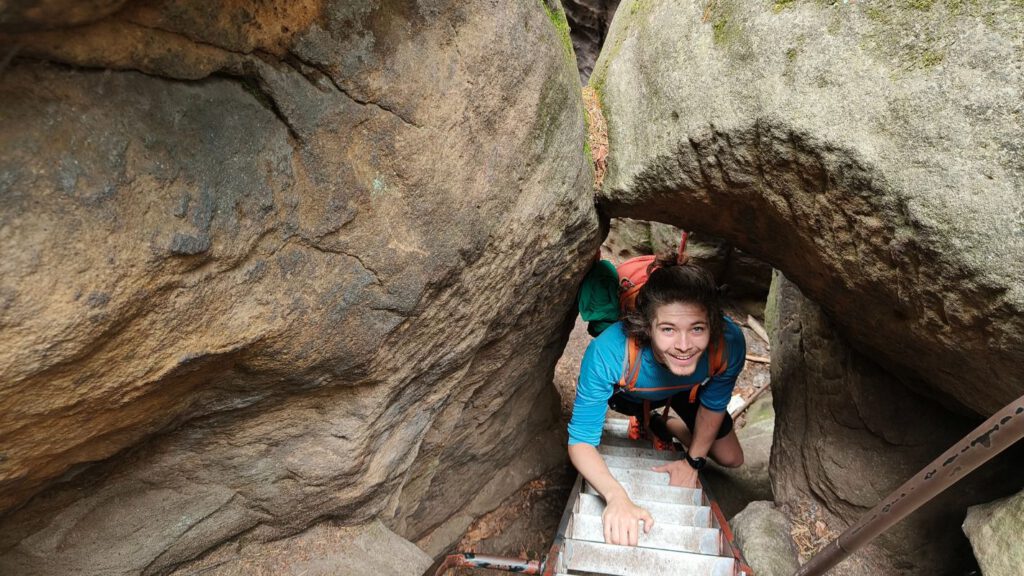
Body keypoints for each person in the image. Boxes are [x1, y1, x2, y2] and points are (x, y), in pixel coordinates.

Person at [567, 258, 746, 546]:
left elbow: (713, 405)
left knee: (731, 457)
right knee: (639, 403)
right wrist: (616, 497)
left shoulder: (729, 344)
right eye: (668, 330)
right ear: (647, 327)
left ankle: (666, 423)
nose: (684, 345)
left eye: (697, 329)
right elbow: (580, 441)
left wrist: (692, 462)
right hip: (632, 392)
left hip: (687, 388)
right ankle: (647, 418)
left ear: (713, 324)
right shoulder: (609, 353)